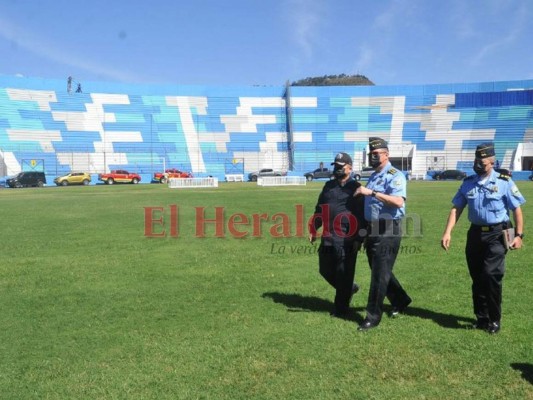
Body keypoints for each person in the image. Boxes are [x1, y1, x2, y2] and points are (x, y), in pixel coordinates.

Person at [441, 142, 525, 334]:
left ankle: (494, 319)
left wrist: (519, 235)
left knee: (491, 275)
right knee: (477, 277)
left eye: (482, 162)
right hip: (476, 234)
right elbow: (457, 208)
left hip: (498, 233)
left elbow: (517, 210)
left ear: (492, 162)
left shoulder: (504, 182)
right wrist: (447, 232)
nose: (478, 165)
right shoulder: (468, 182)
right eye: (476, 161)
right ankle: (482, 318)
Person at [354, 137, 412, 331]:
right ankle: (401, 299)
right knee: (379, 269)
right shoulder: (374, 175)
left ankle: (373, 317)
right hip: (373, 229)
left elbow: (398, 201)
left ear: (386, 154)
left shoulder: (395, 175)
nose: (373, 157)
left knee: (379, 274)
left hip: (388, 228)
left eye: (376, 154)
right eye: (371, 154)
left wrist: (371, 193)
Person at [309, 152, 365, 318]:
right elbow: (320, 208)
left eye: (341, 166)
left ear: (350, 167)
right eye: (336, 166)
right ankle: (349, 288)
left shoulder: (356, 187)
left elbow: (362, 216)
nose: (338, 169)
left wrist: (359, 238)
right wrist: (314, 227)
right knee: (325, 270)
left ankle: (341, 309)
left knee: (344, 273)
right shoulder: (328, 186)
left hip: (347, 238)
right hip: (328, 236)